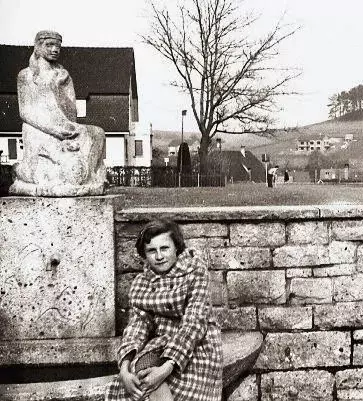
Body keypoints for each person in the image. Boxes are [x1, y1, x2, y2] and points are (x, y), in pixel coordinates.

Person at [105, 219, 222, 401]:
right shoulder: (142, 283)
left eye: (164, 248)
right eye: (152, 251)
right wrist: (124, 369)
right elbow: (137, 327)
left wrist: (166, 368)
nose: (159, 256)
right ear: (144, 254)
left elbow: (194, 323)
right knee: (141, 376)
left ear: (176, 247)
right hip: (161, 344)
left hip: (195, 345)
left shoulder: (195, 271)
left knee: (159, 382)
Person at [11, 30, 106, 196]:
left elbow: (71, 113)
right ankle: (75, 177)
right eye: (50, 45)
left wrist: (59, 86)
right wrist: (53, 129)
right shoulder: (25, 76)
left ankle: (89, 176)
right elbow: (25, 112)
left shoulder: (63, 75)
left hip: (63, 126)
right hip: (38, 128)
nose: (55, 49)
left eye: (58, 46)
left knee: (97, 133)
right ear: (38, 47)